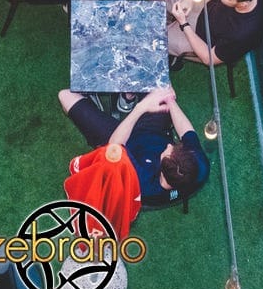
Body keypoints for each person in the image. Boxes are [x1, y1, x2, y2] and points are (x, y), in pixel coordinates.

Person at [57, 86, 209, 207]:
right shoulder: (199, 167)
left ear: (161, 166)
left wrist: (141, 108)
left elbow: (114, 145)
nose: (170, 144)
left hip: (120, 141)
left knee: (65, 96)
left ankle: (111, 104)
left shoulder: (141, 180)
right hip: (153, 130)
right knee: (159, 83)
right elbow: (186, 131)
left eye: (169, 150)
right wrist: (169, 99)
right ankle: (127, 98)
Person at [167, 0, 263, 69]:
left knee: (153, 37)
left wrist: (184, 24)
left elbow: (209, 59)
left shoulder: (242, 35)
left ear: (243, 4)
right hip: (206, 4)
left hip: (200, 37)